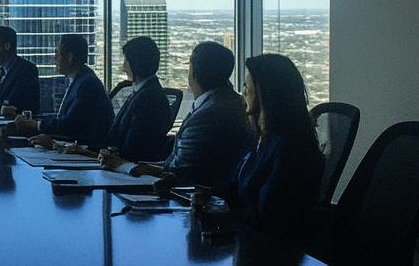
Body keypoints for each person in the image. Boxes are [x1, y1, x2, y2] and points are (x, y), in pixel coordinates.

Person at [100, 41, 253, 189]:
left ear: (194, 73)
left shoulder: (207, 116)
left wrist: (124, 166)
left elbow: (180, 174)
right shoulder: (228, 102)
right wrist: (141, 166)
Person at [228, 53, 325, 241]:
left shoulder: (290, 147)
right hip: (252, 241)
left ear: (264, 92)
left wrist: (223, 216)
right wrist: (199, 192)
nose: (243, 92)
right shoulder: (264, 138)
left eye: (247, 85)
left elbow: (268, 215)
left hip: (272, 252)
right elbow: (235, 186)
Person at [15, 34, 112, 147]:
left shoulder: (87, 84)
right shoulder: (80, 78)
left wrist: (33, 124)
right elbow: (63, 119)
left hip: (82, 152)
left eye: (57, 53)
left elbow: (69, 125)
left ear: (70, 57)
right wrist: (33, 121)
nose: (54, 58)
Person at [104, 36, 176, 161]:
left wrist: (87, 152)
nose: (123, 67)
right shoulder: (145, 92)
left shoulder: (148, 99)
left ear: (135, 64)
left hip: (124, 169)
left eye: (126, 61)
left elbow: (130, 150)